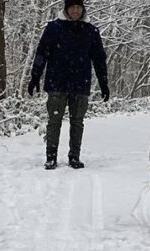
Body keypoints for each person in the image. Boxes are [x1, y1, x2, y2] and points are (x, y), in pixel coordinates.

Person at [28, 0, 109, 170]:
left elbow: (99, 59)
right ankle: (51, 157)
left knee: (77, 121)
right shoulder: (54, 28)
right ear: (66, 9)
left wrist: (103, 83)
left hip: (81, 83)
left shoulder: (90, 31)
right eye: (72, 7)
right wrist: (35, 76)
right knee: (54, 121)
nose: (75, 11)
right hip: (56, 82)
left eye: (79, 7)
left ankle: (74, 156)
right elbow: (42, 52)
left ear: (83, 9)